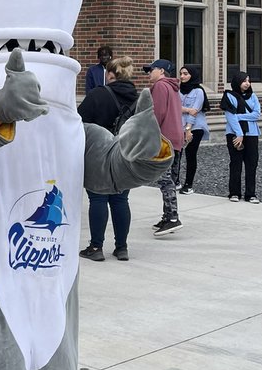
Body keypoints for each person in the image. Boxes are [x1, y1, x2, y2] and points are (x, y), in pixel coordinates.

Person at [77, 56, 137, 261]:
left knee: (98, 198)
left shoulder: (98, 94)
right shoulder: (137, 98)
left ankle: (96, 247)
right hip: (125, 154)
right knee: (121, 199)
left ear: (110, 75)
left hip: (98, 153)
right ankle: (122, 247)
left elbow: (78, 122)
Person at [143, 59, 184, 236]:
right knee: (170, 179)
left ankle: (173, 218)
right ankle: (168, 215)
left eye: (151, 70)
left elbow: (157, 113)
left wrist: (148, 135)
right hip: (175, 137)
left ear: (160, 71)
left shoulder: (160, 86)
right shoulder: (173, 87)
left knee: (165, 179)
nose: (148, 73)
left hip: (164, 138)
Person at [221, 71, 261, 203]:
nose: (247, 83)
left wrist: (238, 116)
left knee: (251, 164)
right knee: (236, 163)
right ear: (237, 82)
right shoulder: (229, 96)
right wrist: (239, 133)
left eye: (248, 81)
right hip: (234, 134)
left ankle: (251, 194)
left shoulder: (253, 96)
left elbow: (256, 115)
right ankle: (234, 193)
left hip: (252, 134)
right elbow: (230, 117)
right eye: (244, 81)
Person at [177, 64, 210, 195]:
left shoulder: (199, 91)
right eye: (181, 73)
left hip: (195, 128)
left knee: (191, 155)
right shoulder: (178, 90)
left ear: (192, 75)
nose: (182, 76)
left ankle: (188, 184)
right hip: (179, 127)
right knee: (176, 155)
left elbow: (195, 112)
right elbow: (174, 107)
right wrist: (187, 109)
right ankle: (176, 181)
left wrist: (188, 130)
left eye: (185, 74)